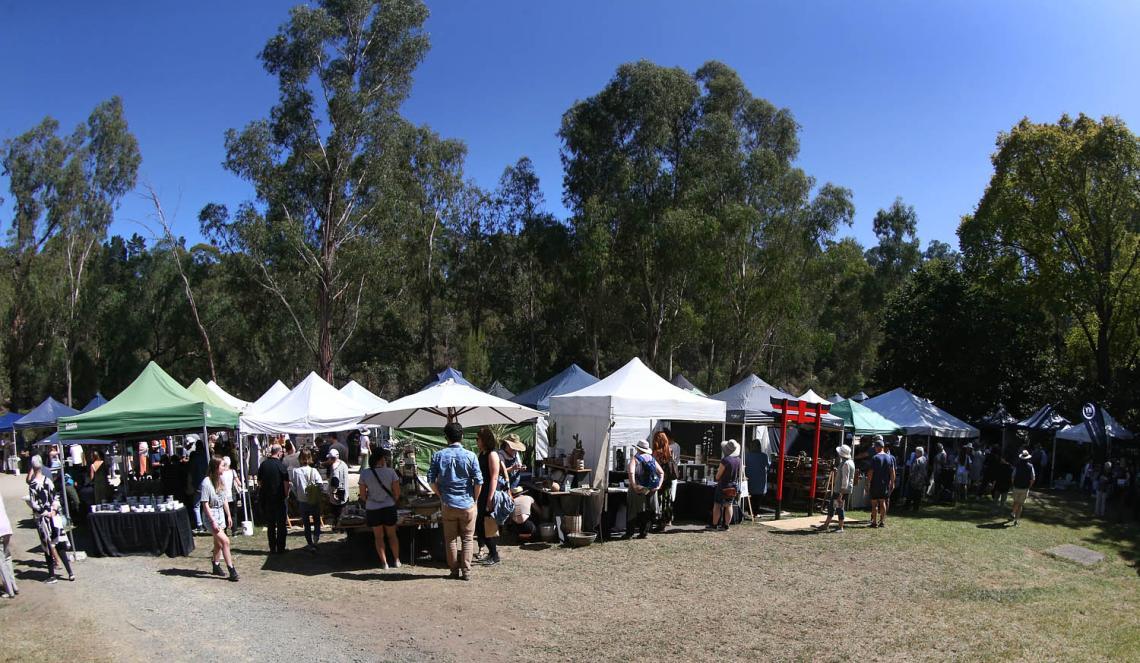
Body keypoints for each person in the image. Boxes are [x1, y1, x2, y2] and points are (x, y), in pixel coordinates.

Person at [428, 422, 483, 580]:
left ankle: (453, 570)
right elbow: (479, 481)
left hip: (448, 504)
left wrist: (440, 495)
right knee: (467, 539)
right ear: (463, 436)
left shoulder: (438, 455)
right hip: (467, 503)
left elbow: (430, 479)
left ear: (446, 438)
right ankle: (466, 571)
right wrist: (475, 500)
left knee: (450, 539)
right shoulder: (471, 455)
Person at [27, 456, 74, 583]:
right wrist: (53, 510)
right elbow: (55, 497)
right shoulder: (48, 481)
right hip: (54, 517)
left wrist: (45, 513)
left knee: (47, 546)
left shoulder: (32, 485)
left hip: (44, 520)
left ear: (33, 467)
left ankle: (52, 575)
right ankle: (70, 572)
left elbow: (34, 503)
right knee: (59, 544)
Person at [359, 449, 401, 569]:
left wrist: (371, 499)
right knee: (392, 535)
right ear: (381, 459)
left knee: (378, 537)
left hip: (373, 508)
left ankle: (384, 563)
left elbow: (362, 495)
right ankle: (396, 560)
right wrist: (392, 500)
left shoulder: (365, 473)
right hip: (389, 506)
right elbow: (397, 493)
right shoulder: (391, 472)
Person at [201, 457, 239, 581]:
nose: (225, 467)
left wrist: (228, 515)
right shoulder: (206, 482)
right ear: (216, 467)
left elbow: (224, 500)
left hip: (220, 515)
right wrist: (212, 521)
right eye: (223, 465)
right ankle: (232, 570)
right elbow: (205, 504)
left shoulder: (221, 480)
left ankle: (215, 564)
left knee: (217, 543)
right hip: (211, 516)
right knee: (225, 541)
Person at [474, 428, 506, 566]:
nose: (476, 441)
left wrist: (490, 498)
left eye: (478, 439)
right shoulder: (482, 453)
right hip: (481, 493)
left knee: (487, 525)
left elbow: (494, 477)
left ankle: (494, 554)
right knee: (480, 524)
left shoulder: (492, 455)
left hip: (488, 493)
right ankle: (491, 552)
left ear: (484, 439)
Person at [624, 439, 663, 539]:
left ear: (637, 448)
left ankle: (629, 533)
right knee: (647, 510)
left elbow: (631, 472)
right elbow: (661, 473)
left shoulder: (635, 459)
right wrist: (658, 486)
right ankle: (644, 533)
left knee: (633, 510)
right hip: (651, 488)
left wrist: (634, 485)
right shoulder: (651, 458)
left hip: (639, 487)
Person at [257, 443, 291, 553]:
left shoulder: (263, 464)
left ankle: (272, 547)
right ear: (279, 452)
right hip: (279, 498)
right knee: (281, 525)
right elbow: (286, 483)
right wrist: (286, 494)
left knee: (270, 525)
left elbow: (259, 482)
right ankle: (281, 547)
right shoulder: (281, 466)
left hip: (267, 498)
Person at [817, 444, 854, 532]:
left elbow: (845, 479)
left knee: (839, 507)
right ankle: (826, 525)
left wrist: (841, 494)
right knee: (832, 506)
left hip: (841, 490)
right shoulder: (848, 462)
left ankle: (840, 527)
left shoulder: (846, 464)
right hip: (841, 489)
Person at [710, 439, 741, 531]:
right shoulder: (738, 460)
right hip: (733, 485)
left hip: (723, 485)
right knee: (729, 505)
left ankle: (714, 525)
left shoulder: (725, 460)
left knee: (717, 505)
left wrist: (717, 477)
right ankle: (726, 526)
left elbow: (718, 476)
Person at [866, 436, 896, 528]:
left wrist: (868, 483)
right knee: (883, 502)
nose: (875, 449)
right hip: (885, 484)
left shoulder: (875, 458)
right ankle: (882, 521)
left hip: (875, 483)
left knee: (874, 503)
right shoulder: (890, 458)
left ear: (878, 447)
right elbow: (892, 471)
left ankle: (874, 522)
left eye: (875, 447)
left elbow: (871, 472)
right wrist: (892, 482)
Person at [651, 431, 678, 530]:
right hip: (669, 479)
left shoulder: (656, 453)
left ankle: (660, 522)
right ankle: (668, 520)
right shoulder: (670, 450)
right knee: (667, 499)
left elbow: (654, 467)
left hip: (660, 479)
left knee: (660, 499)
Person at [187, 434, 209, 532]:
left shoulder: (195, 458)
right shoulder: (206, 457)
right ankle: (205, 523)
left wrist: (190, 483)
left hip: (197, 483)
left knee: (196, 505)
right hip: (206, 483)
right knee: (205, 504)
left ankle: (199, 524)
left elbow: (191, 472)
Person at [1009, 448, 1036, 525]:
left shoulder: (1017, 466)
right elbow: (1033, 478)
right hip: (1025, 488)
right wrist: (1029, 486)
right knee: (1020, 504)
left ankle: (1013, 513)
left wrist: (1013, 484)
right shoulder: (1031, 466)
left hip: (1016, 487)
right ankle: (1016, 519)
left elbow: (1013, 477)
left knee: (1015, 502)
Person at [0, 487, 17, 598]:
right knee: (7, 557)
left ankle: (9, 590)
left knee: (1, 562)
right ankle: (14, 585)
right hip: (6, 526)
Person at [326, 448, 349, 525]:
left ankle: (337, 526)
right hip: (345, 491)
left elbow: (335, 481)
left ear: (331, 458)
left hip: (337, 494)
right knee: (343, 511)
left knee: (337, 513)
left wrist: (332, 493)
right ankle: (342, 525)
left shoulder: (334, 467)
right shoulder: (343, 464)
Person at [219, 456, 241, 534]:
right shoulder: (233, 471)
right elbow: (239, 483)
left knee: (224, 513)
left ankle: (224, 530)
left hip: (223, 496)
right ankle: (234, 530)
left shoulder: (221, 473)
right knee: (233, 513)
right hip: (232, 495)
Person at [905, 446, 928, 511]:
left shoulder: (917, 460)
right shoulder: (924, 459)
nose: (915, 453)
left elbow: (913, 470)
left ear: (919, 452)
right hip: (921, 480)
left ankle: (907, 507)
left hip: (915, 480)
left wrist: (910, 477)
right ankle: (916, 508)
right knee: (918, 495)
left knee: (910, 494)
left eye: (916, 452)